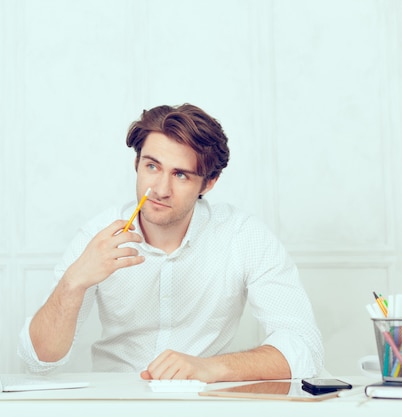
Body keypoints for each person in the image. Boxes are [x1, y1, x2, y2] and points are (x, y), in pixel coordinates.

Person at [18, 103, 324, 382]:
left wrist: (210, 368)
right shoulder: (97, 235)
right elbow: (39, 361)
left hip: (202, 406)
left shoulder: (244, 237)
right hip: (118, 404)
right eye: (152, 166)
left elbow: (304, 348)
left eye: (181, 175)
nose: (160, 190)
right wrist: (73, 282)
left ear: (209, 182)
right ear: (136, 163)